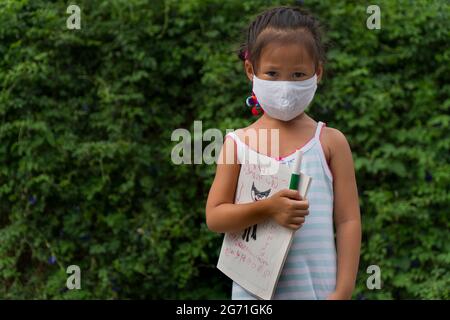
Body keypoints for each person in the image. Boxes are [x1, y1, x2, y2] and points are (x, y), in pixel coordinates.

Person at [206, 6, 361, 300]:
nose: (285, 87)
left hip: (318, 293)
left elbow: (348, 220)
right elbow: (215, 217)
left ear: (318, 73)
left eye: (298, 74)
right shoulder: (238, 144)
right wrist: (268, 208)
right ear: (251, 70)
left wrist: (342, 291)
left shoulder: (330, 142)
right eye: (273, 74)